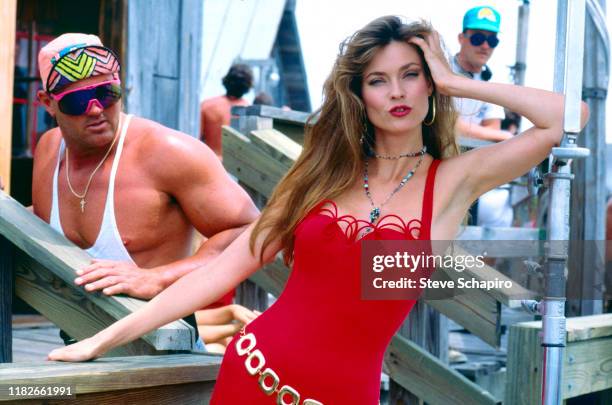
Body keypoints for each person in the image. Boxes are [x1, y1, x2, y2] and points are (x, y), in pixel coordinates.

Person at [47, 17, 588, 404]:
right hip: (252, 375)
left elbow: (567, 117)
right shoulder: (321, 175)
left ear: (428, 84)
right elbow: (222, 269)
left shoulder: (453, 181)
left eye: (411, 74)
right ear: (359, 94)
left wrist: (452, 78)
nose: (396, 91)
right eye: (378, 80)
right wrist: (102, 339)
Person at [32, 33, 260, 348]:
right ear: (48, 104)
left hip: (164, 353)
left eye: (108, 92)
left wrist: (157, 277)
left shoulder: (168, 152)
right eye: (78, 100)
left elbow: (253, 228)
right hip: (75, 341)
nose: (97, 109)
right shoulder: (48, 151)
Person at [451, 6, 512, 142]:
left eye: (492, 41)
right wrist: (505, 136)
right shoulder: (442, 72)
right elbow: (443, 124)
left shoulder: (491, 84)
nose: (485, 46)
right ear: (461, 38)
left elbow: (493, 129)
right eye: (478, 38)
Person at [200, 63, 253, 160]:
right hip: (238, 168)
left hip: (213, 164)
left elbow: (196, 140)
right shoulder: (251, 112)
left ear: (227, 81)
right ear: (248, 85)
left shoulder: (207, 106)